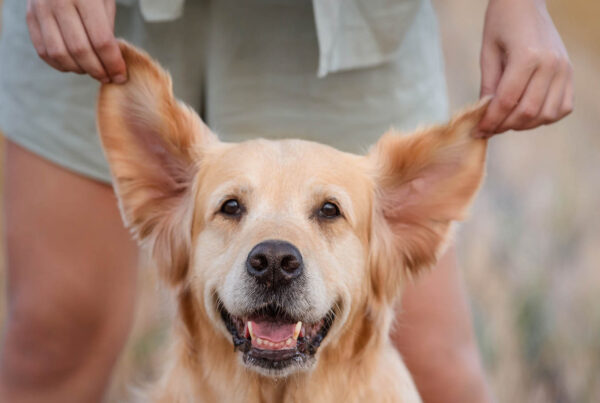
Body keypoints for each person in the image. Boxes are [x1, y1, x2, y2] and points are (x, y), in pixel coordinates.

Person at [0, 0, 572, 401]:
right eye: (231, 209)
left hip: (342, 19)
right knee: (52, 334)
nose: (274, 251)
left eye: (328, 212)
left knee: (441, 372)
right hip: (102, 15)